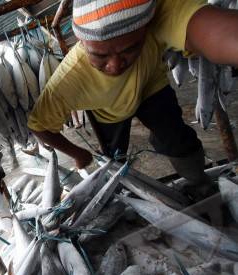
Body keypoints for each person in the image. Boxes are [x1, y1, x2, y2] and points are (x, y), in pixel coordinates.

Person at [27, 0, 238, 198]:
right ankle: (118, 193)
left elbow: (219, 32)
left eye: (131, 49)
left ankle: (199, 183)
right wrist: (78, 154)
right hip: (109, 111)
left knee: (178, 139)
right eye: (100, 56)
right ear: (81, 41)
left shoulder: (153, 15)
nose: (115, 66)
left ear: (146, 27)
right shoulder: (68, 80)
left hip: (150, 87)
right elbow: (38, 125)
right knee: (115, 158)